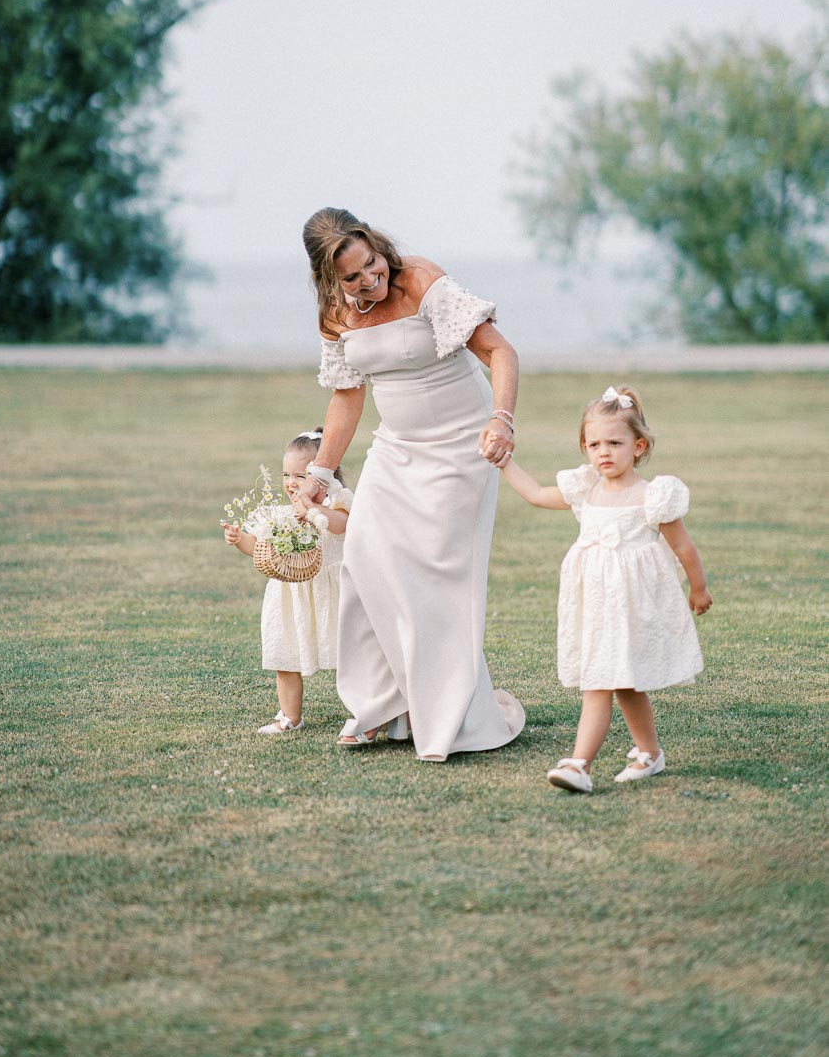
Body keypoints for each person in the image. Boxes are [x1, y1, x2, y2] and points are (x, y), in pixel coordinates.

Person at [298, 207, 526, 762]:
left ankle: (448, 719)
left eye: (372, 264)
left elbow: (500, 351)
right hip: (396, 449)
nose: (370, 280)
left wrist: (502, 419)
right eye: (353, 278)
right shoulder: (335, 314)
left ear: (379, 248)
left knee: (435, 581)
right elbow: (347, 395)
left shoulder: (422, 280)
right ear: (330, 281)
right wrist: (320, 473)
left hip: (459, 447)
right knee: (365, 560)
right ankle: (379, 707)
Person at [501, 384, 712, 794]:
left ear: (638, 445)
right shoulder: (587, 489)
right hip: (595, 605)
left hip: (633, 607)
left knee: (608, 682)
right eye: (594, 443)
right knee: (615, 682)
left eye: (615, 442)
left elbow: (683, 545)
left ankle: (580, 764)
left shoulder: (652, 496)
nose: (604, 452)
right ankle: (649, 754)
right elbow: (537, 494)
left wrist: (699, 589)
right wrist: (505, 462)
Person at [223, 428, 353, 734]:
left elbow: (341, 525)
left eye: (300, 475)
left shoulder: (338, 501)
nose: (291, 483)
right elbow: (260, 549)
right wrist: (240, 539)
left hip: (331, 595)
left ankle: (368, 710)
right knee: (285, 656)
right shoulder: (280, 514)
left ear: (323, 474)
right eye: (286, 474)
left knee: (352, 655)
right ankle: (289, 717)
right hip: (290, 595)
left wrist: (312, 509)